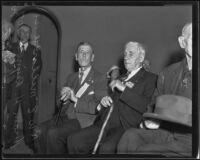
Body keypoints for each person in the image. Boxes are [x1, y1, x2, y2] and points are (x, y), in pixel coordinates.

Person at [117, 22, 192, 157]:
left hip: (192, 137)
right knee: (130, 136)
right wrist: (151, 119)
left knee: (144, 151)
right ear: (182, 42)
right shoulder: (168, 73)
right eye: (195, 38)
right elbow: (153, 104)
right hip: (166, 131)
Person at [67, 41, 157, 154]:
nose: (126, 58)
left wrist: (124, 89)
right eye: (125, 54)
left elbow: (147, 106)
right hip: (104, 123)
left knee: (106, 149)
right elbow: (108, 102)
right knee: (74, 140)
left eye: (130, 54)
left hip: (124, 126)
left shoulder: (150, 79)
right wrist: (103, 102)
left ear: (141, 57)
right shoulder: (120, 77)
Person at [36, 42, 107, 154]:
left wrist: (75, 100)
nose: (83, 55)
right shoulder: (71, 77)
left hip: (81, 120)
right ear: (76, 56)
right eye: (81, 52)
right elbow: (59, 105)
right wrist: (63, 99)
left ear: (92, 57)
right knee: (38, 131)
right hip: (64, 116)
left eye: (87, 52)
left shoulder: (100, 78)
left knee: (53, 134)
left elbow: (99, 107)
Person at [4, 24, 42, 152]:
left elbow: (38, 71)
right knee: (11, 117)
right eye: (23, 32)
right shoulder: (10, 48)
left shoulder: (36, 50)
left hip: (28, 91)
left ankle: (29, 142)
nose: (25, 34)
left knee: (28, 117)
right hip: (13, 90)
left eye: (28, 32)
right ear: (18, 34)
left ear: (30, 35)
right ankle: (8, 142)